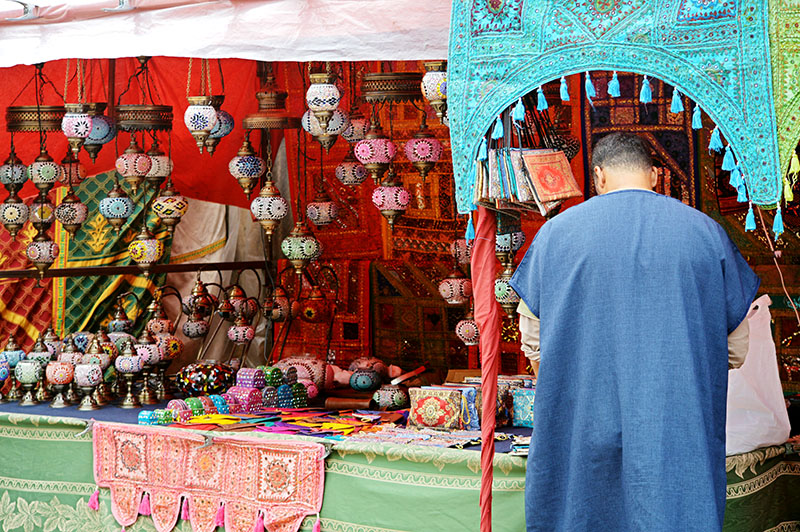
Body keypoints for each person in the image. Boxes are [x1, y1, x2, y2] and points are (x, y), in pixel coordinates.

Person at [510, 132, 759, 532]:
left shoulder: (556, 235)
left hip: (582, 416)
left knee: (582, 513)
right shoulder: (705, 233)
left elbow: (533, 340)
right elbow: (737, 348)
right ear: (655, 175)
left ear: (598, 176)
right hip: (677, 418)